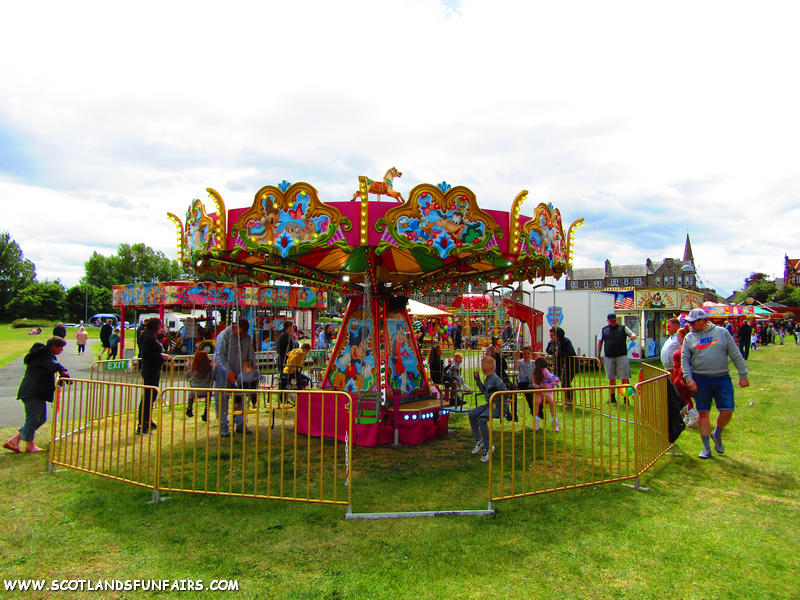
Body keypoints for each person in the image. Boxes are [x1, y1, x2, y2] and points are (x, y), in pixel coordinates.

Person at [680, 308, 749, 459]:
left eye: (692, 322)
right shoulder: (689, 338)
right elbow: (684, 359)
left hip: (722, 378)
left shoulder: (722, 332)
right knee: (703, 412)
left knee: (727, 410)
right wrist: (688, 378)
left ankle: (717, 433)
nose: (690, 325)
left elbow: (735, 353)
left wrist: (743, 374)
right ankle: (706, 448)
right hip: (700, 379)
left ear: (702, 320)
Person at [3, 338, 69, 453]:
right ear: (53, 347)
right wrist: (63, 370)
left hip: (36, 391)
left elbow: (53, 365)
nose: (62, 350)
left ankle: (14, 441)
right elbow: (53, 365)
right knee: (33, 419)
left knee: (41, 419)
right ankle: (29, 445)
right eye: (60, 348)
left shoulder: (44, 355)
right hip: (33, 391)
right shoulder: (43, 356)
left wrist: (62, 371)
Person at [214, 318, 255, 436]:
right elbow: (219, 355)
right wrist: (228, 371)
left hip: (241, 375)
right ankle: (223, 424)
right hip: (223, 375)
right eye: (241, 332)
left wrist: (251, 369)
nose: (242, 335)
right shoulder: (224, 336)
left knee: (241, 398)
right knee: (222, 399)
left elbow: (251, 354)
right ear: (235, 327)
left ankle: (240, 422)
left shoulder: (247, 338)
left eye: (244, 333)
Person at [469, 355, 508, 463]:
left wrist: (498, 396)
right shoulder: (488, 379)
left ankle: (488, 448)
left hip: (498, 406)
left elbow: (507, 393)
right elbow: (484, 391)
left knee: (481, 420)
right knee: (472, 414)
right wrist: (477, 380)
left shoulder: (496, 380)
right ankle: (479, 440)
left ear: (483, 369)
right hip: (489, 405)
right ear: (494, 368)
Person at [597, 313, 637, 404]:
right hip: (609, 356)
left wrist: (633, 335)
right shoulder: (604, 330)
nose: (614, 322)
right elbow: (600, 343)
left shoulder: (623, 328)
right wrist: (598, 356)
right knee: (611, 378)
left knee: (624, 377)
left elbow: (632, 333)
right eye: (612, 321)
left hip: (622, 355)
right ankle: (612, 397)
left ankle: (625, 398)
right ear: (608, 321)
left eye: (615, 320)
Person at [137, 318, 169, 435]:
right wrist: (160, 355)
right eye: (160, 327)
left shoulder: (153, 338)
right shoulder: (146, 338)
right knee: (147, 397)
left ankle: (147, 420)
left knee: (152, 397)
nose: (161, 329)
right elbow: (145, 354)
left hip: (155, 369)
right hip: (149, 369)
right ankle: (141, 424)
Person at [530, 357, 561, 432]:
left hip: (547, 391)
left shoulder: (546, 372)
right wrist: (535, 385)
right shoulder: (535, 372)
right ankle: (536, 421)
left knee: (551, 402)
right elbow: (533, 381)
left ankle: (554, 422)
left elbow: (556, 380)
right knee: (536, 402)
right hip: (539, 391)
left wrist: (547, 386)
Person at [550, 327, 577, 405]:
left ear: (557, 335)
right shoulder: (553, 342)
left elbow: (571, 352)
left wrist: (560, 354)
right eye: (550, 335)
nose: (551, 337)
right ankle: (565, 400)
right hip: (560, 366)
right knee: (563, 383)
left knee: (566, 383)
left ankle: (569, 401)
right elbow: (548, 350)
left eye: (552, 335)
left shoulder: (566, 341)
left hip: (569, 365)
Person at [186, 349, 213, 420]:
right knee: (209, 394)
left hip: (194, 391)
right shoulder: (209, 368)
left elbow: (187, 377)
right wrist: (215, 368)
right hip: (205, 391)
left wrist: (187, 366)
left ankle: (189, 409)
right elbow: (213, 377)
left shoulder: (193, 369)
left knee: (191, 394)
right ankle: (206, 412)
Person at [234, 358, 260, 426]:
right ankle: (254, 404)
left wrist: (235, 383)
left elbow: (238, 380)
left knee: (238, 392)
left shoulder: (242, 374)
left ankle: (236, 403)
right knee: (255, 393)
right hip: (252, 389)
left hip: (244, 389)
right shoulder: (255, 373)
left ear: (244, 367)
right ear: (253, 367)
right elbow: (261, 377)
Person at [516, 346, 535, 419]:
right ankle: (532, 407)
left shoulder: (533, 363)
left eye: (528, 353)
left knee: (534, 390)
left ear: (531, 354)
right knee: (528, 390)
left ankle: (538, 408)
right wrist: (516, 357)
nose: (526, 355)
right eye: (525, 354)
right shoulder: (520, 362)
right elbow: (516, 366)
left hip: (531, 382)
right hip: (522, 382)